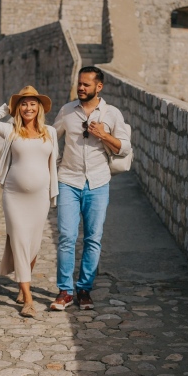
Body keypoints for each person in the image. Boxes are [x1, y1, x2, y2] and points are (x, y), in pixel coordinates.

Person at [50, 66, 131, 311]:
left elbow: (124, 148)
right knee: (66, 238)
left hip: (98, 183)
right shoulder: (67, 111)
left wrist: (104, 135)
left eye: (86, 84)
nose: (81, 88)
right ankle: (64, 291)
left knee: (93, 239)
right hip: (69, 181)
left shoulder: (112, 114)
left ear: (99, 87)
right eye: (79, 84)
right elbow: (52, 139)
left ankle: (84, 289)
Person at [0, 85, 58, 318]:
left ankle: (21, 284)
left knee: (33, 244)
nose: (28, 108)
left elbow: (52, 163)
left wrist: (51, 192)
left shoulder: (51, 132)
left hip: (40, 197)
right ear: (19, 108)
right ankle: (28, 299)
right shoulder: (10, 131)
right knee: (19, 240)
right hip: (14, 196)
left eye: (32, 103)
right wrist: (8, 107)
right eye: (24, 104)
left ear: (39, 108)